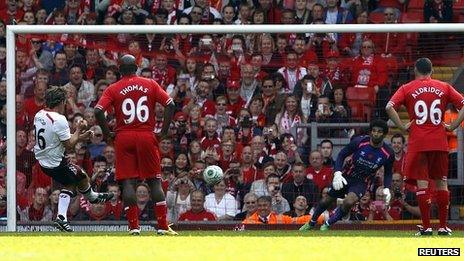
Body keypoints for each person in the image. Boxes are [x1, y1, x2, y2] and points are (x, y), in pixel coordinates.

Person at [94, 54, 177, 236]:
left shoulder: (113, 88)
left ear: (119, 70)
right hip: (147, 135)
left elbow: (98, 110)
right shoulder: (150, 84)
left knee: (128, 182)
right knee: (154, 181)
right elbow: (170, 104)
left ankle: (133, 227)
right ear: (137, 67)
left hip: (124, 136)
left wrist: (107, 133)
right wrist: (163, 132)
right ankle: (163, 227)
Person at [385, 57, 464, 236]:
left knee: (423, 184)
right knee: (441, 182)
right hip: (439, 141)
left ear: (415, 70)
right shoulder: (444, 87)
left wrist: (401, 125)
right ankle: (443, 227)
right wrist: (453, 126)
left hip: (419, 142)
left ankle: (427, 227)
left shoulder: (407, 88)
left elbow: (389, 106)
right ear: (431, 71)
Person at [33, 86, 113, 232]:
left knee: (70, 182)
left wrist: (81, 137)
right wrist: (78, 129)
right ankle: (92, 197)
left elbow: (57, 138)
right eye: (65, 102)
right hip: (55, 162)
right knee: (81, 176)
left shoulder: (39, 114)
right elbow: (69, 145)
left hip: (43, 160)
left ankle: (62, 217)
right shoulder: (59, 119)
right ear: (61, 102)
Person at [299, 119, 394, 231]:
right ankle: (311, 222)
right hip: (346, 176)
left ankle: (328, 224)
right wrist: (338, 173)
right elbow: (341, 155)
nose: (376, 133)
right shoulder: (360, 142)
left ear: (384, 134)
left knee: (349, 202)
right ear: (370, 132)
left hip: (361, 182)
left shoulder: (388, 153)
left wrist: (387, 188)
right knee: (326, 200)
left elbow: (388, 172)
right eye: (374, 131)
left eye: (379, 131)